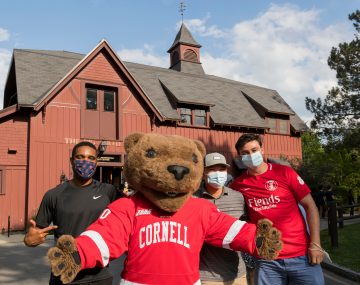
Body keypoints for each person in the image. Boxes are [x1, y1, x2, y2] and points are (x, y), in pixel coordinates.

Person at [231, 133, 324, 285]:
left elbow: (310, 206)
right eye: (245, 153)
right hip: (267, 260)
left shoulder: (285, 173)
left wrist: (315, 244)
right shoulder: (238, 185)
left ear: (262, 150)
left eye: (254, 150)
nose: (251, 155)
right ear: (240, 156)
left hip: (302, 256)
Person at [24, 141, 118, 285]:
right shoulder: (54, 195)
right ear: (71, 161)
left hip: (100, 275)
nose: (86, 162)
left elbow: (136, 209)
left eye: (91, 158)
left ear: (96, 162)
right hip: (64, 276)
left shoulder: (108, 192)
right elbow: (34, 234)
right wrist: (29, 240)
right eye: (80, 157)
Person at [193, 152, 248, 285]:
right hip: (207, 276)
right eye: (212, 170)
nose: (218, 174)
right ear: (203, 172)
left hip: (238, 274)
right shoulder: (193, 199)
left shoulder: (238, 197)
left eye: (222, 169)